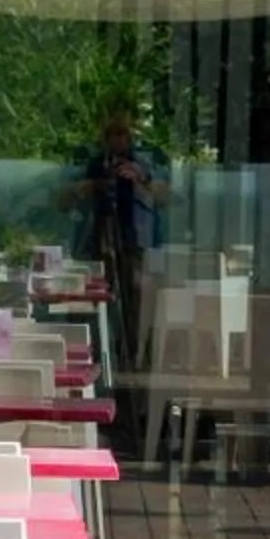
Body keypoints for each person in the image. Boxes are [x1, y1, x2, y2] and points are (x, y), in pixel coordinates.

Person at [70, 105, 167, 438]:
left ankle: (137, 396)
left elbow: (169, 197)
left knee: (137, 319)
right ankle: (101, 384)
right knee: (99, 318)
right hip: (102, 245)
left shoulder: (147, 162)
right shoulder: (94, 164)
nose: (118, 141)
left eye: (123, 135)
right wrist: (95, 184)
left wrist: (139, 178)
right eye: (112, 135)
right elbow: (68, 198)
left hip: (134, 247)